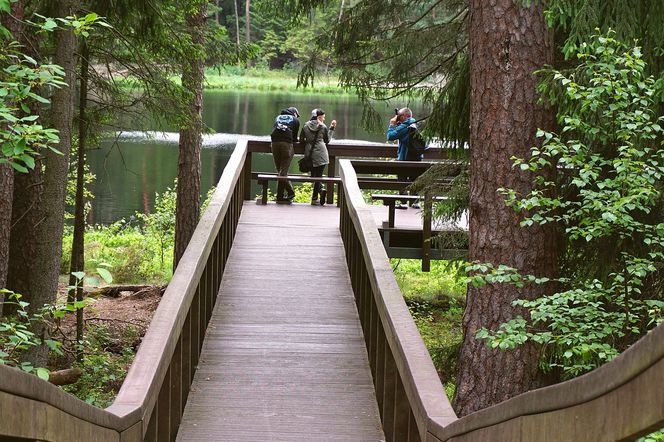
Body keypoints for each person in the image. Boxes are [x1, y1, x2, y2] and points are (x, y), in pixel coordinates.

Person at [387, 107, 422, 209]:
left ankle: (403, 203)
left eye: (398, 116)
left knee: (402, 180)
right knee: (415, 180)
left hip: (405, 158)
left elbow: (390, 136)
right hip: (417, 157)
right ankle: (415, 202)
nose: (397, 118)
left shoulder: (405, 126)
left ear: (403, 116)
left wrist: (392, 124)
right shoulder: (415, 124)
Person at [300, 108, 336, 206]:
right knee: (318, 177)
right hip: (321, 154)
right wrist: (331, 128)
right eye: (323, 117)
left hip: (309, 155)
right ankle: (316, 196)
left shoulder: (305, 125)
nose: (324, 119)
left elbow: (301, 140)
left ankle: (319, 192)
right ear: (319, 117)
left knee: (314, 176)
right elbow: (327, 140)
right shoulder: (323, 127)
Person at [270, 106, 300, 203]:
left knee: (280, 169)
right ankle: (289, 193)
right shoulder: (295, 120)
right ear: (294, 113)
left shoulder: (278, 117)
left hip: (274, 143)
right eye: (297, 115)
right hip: (286, 144)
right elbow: (294, 138)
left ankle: (280, 196)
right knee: (283, 171)